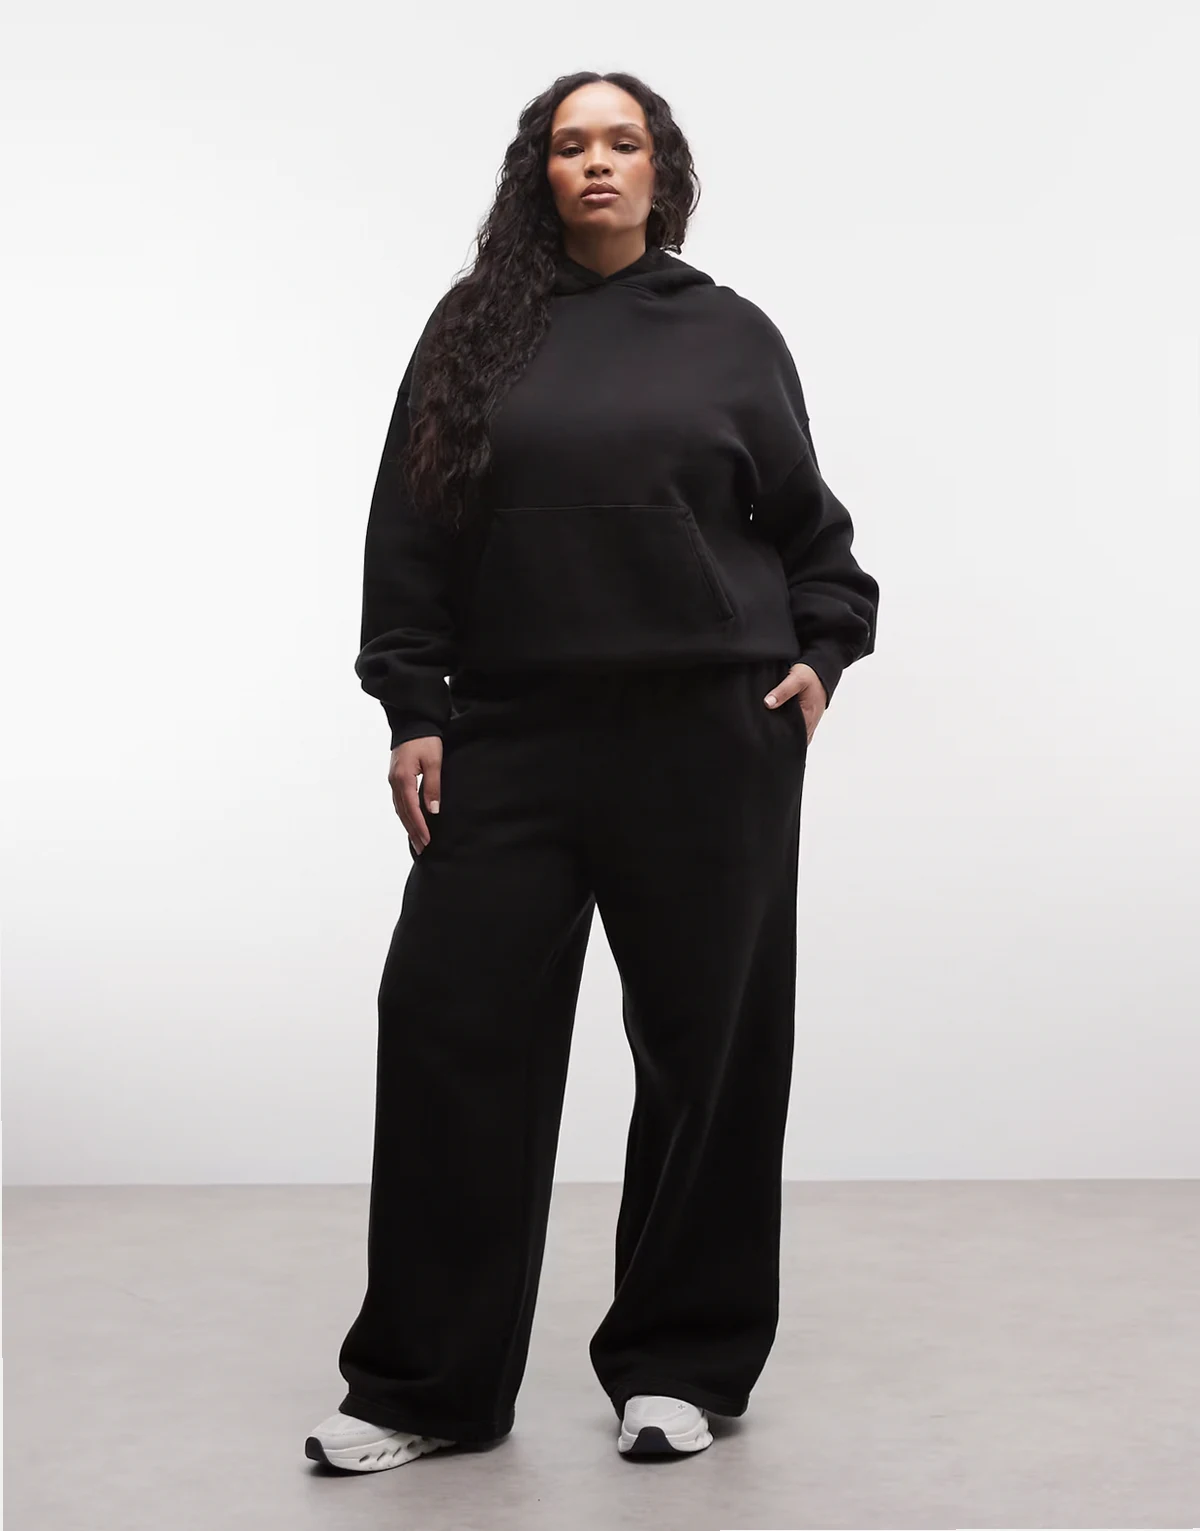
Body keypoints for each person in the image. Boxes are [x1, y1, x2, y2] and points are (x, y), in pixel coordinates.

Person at [305, 69, 879, 1473]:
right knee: (450, 1031)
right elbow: (410, 531)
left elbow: (810, 531)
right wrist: (413, 705)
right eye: (572, 145)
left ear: (660, 168)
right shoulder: (475, 329)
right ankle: (427, 1386)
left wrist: (822, 651)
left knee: (707, 1051)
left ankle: (680, 1365)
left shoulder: (730, 333)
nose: (599, 163)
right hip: (512, 731)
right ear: (541, 174)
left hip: (709, 731)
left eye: (624, 141)